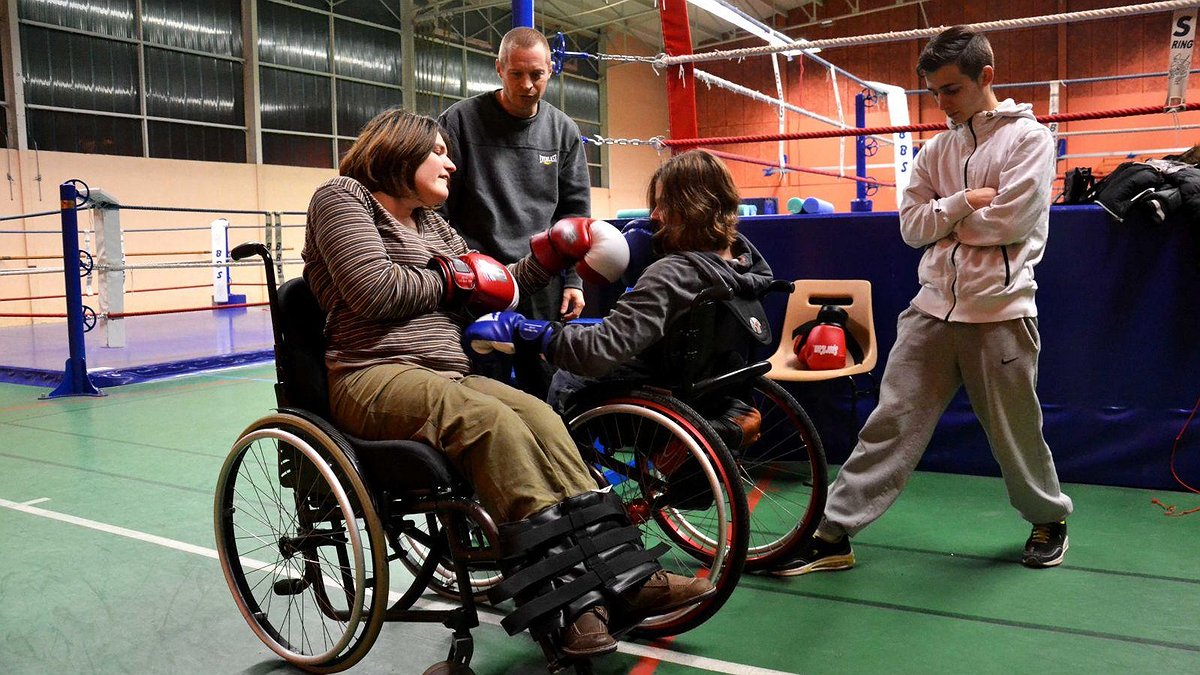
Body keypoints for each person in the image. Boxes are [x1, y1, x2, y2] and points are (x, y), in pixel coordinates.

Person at [301, 108, 712, 659]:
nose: (451, 162)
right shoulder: (343, 198)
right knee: (490, 423)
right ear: (402, 148)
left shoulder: (432, 224)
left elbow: (495, 287)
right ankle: (566, 604)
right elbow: (375, 290)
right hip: (371, 375)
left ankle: (624, 578)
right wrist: (455, 277)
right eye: (440, 151)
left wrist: (550, 255)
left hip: (444, 373)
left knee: (542, 417)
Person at [767, 26, 1074, 577]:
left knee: (1015, 433)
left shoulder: (1029, 141)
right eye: (934, 92)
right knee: (890, 422)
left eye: (951, 90)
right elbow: (911, 228)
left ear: (987, 77)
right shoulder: (937, 148)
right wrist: (962, 202)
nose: (942, 103)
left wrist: (949, 221)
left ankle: (1048, 519)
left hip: (1000, 314)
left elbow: (1012, 221)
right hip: (930, 310)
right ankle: (833, 533)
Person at [464, 149, 775, 444]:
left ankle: (573, 483)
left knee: (566, 382)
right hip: (713, 387)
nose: (654, 215)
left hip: (661, 393)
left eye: (663, 204)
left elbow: (600, 351)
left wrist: (532, 332)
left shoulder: (673, 274)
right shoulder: (746, 265)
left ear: (691, 207)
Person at [438, 27, 591, 324]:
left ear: (551, 69)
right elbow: (438, 208)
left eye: (536, 75)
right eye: (516, 74)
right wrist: (451, 270)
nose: (527, 85)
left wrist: (574, 281)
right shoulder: (459, 121)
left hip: (543, 277)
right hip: (476, 276)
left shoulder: (563, 131)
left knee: (543, 369)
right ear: (499, 68)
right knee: (478, 368)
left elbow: (575, 215)